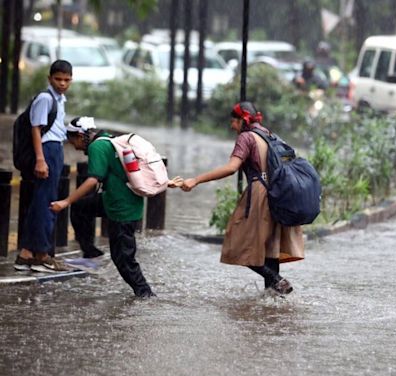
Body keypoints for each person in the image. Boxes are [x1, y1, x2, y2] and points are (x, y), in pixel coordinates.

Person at [49, 116, 183, 298]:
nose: (73, 146)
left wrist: (65, 201)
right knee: (81, 208)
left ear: (80, 136)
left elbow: (92, 180)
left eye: (72, 141)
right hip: (113, 201)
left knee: (123, 259)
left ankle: (146, 295)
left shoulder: (97, 147)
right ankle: (91, 255)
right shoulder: (108, 140)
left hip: (122, 209)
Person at [181, 101, 304, 296]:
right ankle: (273, 300)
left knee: (237, 243)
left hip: (260, 194)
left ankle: (276, 280)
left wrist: (195, 180)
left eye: (233, 121)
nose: (232, 126)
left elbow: (231, 168)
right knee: (270, 248)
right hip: (280, 194)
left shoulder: (246, 137)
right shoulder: (270, 135)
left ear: (242, 120)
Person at [14, 60, 73, 273]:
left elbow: (57, 129)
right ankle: (41, 254)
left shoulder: (60, 100)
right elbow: (36, 130)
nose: (62, 83)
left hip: (55, 149)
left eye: (67, 80)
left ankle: (27, 254)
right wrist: (40, 159)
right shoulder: (45, 98)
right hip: (46, 150)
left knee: (43, 200)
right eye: (58, 79)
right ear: (50, 79)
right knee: (44, 202)